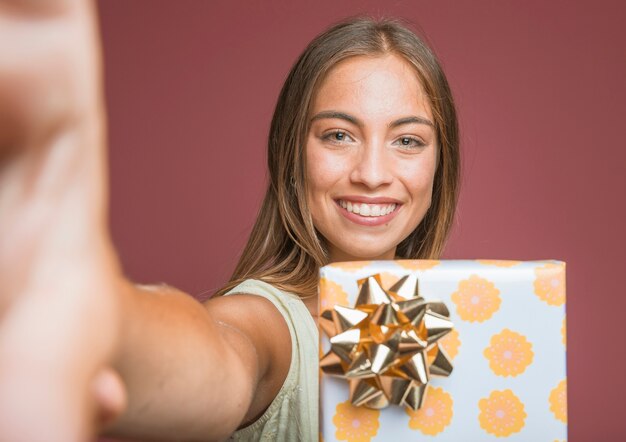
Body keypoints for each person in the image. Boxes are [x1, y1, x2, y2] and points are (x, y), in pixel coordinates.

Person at [0, 1, 459, 441]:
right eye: (338, 135)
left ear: (440, 163)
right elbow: (219, 357)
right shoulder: (267, 327)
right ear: (292, 157)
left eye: (407, 140)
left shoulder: (474, 319)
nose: (372, 174)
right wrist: (94, 319)